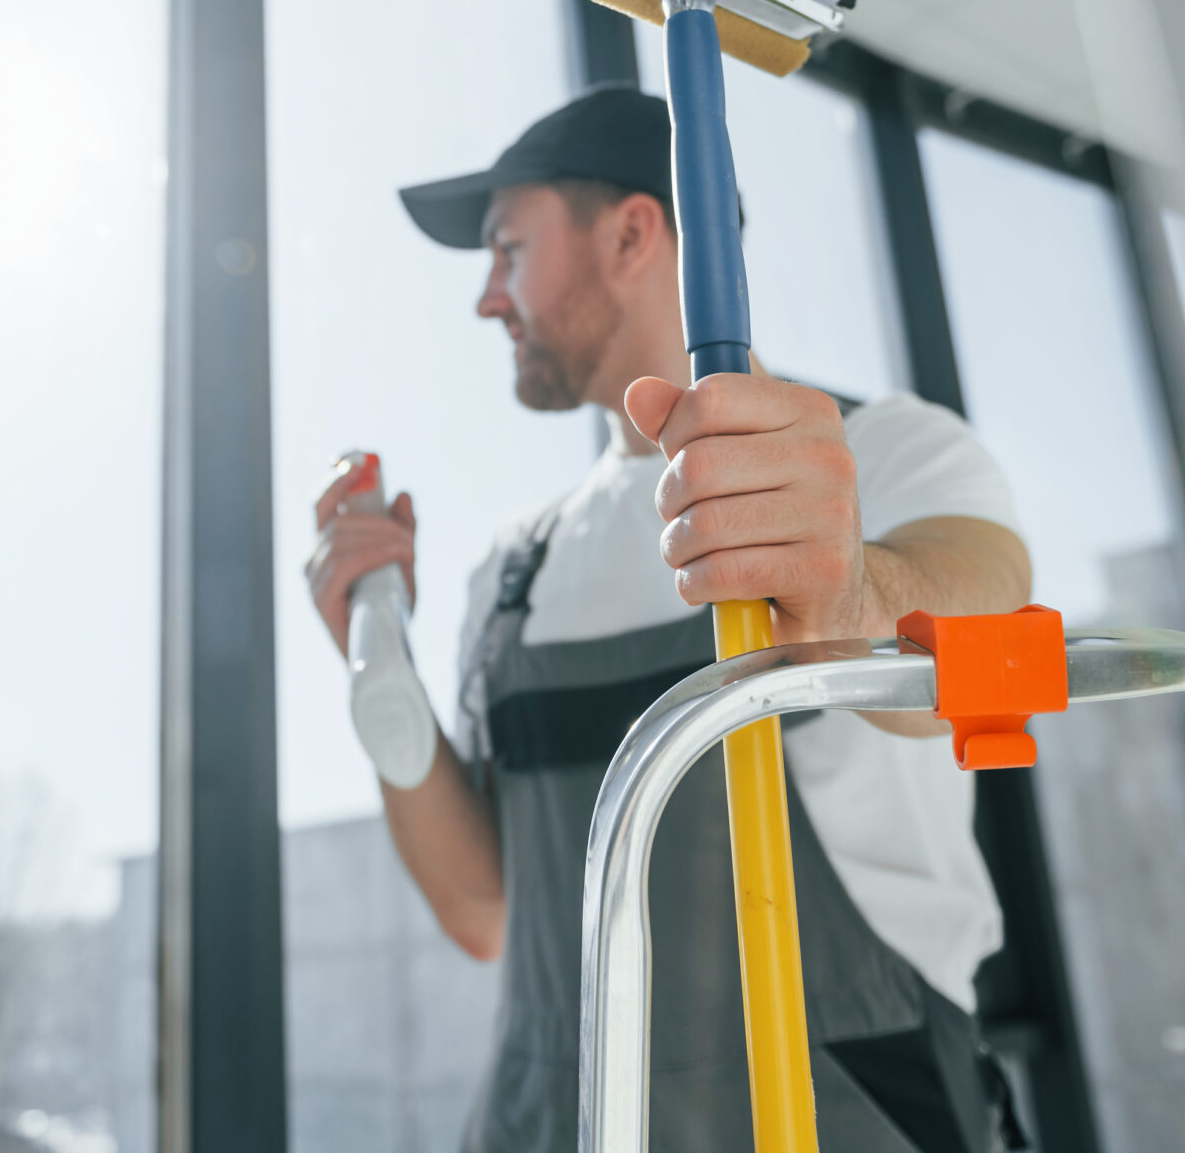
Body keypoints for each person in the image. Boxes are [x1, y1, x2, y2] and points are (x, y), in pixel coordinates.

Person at [304, 86, 1034, 1153]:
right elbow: (481, 912)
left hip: (843, 1116)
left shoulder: (880, 454)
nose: (486, 300)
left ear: (633, 233)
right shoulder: (518, 566)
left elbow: (995, 658)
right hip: (558, 1124)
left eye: (507, 249)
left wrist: (846, 593)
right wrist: (381, 670)